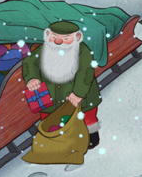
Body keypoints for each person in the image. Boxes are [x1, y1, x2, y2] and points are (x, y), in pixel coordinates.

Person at [21, 20, 101, 149]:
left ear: (77, 37)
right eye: (54, 37)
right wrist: (32, 78)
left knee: (86, 117)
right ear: (48, 35)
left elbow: (85, 72)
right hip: (52, 95)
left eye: (65, 38)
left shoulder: (83, 51)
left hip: (80, 96)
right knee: (51, 120)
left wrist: (78, 93)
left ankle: (90, 136)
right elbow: (30, 62)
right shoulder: (44, 49)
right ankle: (55, 139)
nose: (58, 42)